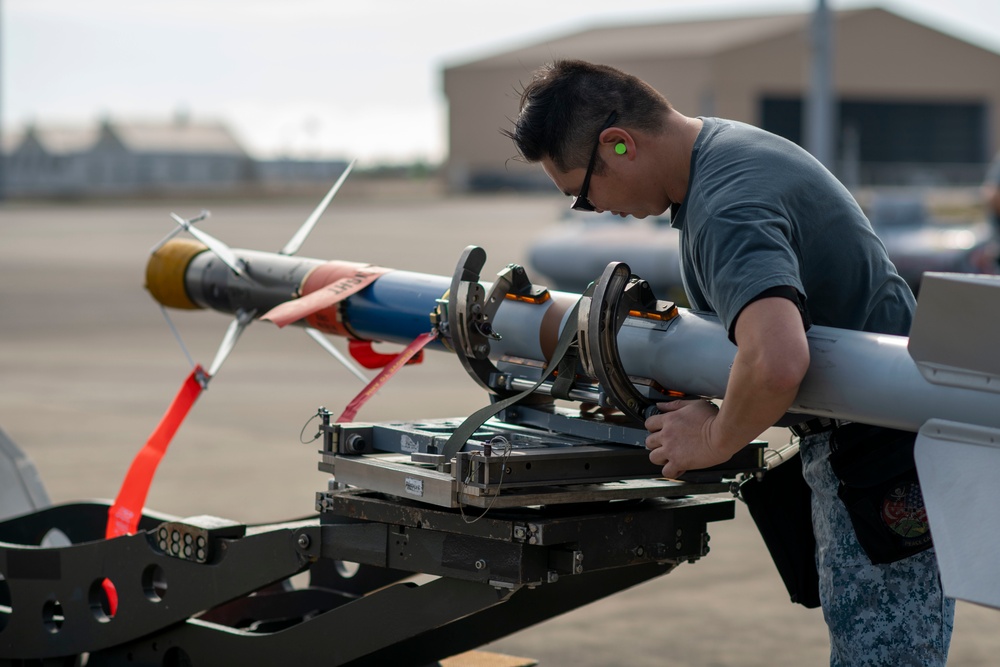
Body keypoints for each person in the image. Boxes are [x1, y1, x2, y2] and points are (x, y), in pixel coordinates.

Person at [503, 59, 954, 666]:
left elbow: (776, 360)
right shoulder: (726, 148)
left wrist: (715, 436)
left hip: (880, 457)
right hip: (888, 444)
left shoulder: (725, 205)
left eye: (584, 194)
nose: (597, 211)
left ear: (620, 143)